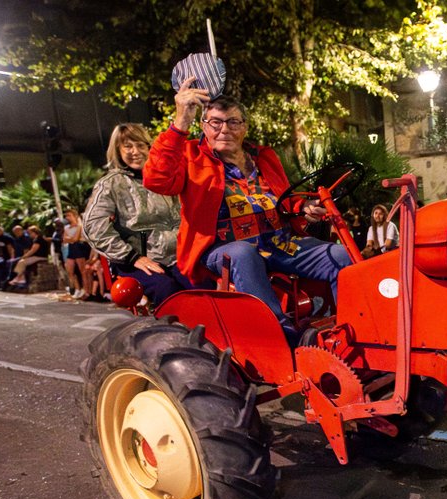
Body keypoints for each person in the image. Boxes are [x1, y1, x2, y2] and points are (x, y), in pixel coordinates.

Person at [144, 78, 347, 343]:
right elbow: (156, 180)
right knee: (243, 252)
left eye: (233, 122)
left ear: (244, 127)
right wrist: (181, 122)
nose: (224, 129)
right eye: (215, 122)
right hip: (222, 248)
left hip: (279, 243)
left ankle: (354, 330)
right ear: (204, 126)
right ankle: (282, 337)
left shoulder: (264, 156)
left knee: (341, 255)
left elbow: (284, 199)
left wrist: (302, 207)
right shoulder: (191, 155)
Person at [83, 123, 188, 306]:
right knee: (167, 290)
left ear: (149, 148)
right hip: (136, 259)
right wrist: (132, 257)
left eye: (140, 145)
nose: (135, 151)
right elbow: (93, 226)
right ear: (118, 150)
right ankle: (174, 325)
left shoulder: (167, 176)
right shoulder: (111, 184)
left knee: (203, 286)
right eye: (128, 146)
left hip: (178, 255)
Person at [62, 209, 90, 298]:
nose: (67, 217)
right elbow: (64, 239)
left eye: (69, 215)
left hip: (79, 248)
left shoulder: (79, 226)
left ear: (75, 216)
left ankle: (86, 290)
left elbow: (76, 238)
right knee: (70, 271)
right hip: (71, 249)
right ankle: (77, 289)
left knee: (82, 271)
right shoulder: (66, 227)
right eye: (66, 216)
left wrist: (70, 239)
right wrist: (71, 239)